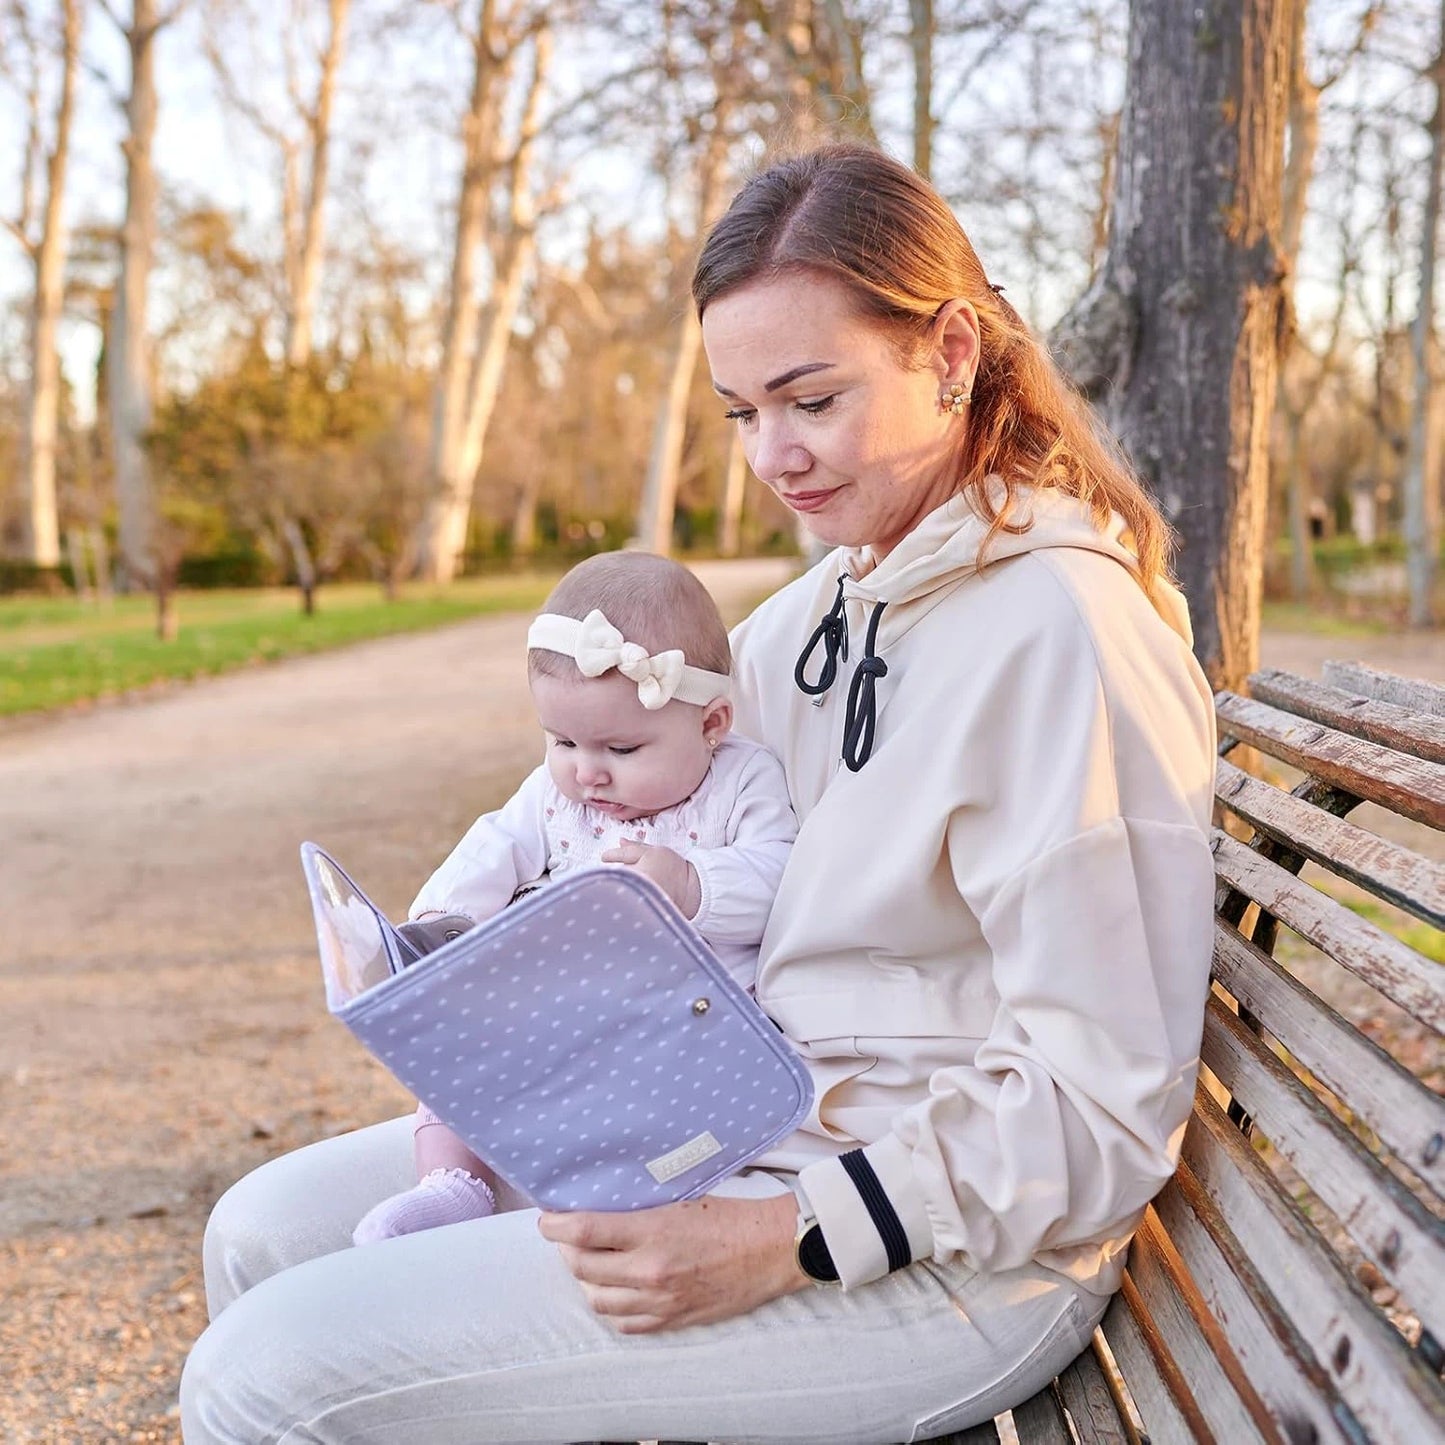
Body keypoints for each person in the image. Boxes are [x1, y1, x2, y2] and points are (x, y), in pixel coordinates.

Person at [181, 143, 1217, 1444]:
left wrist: (777, 1238)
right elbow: (612, 798)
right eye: (739, 412)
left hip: (946, 1258)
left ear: (951, 355)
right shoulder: (822, 606)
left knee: (264, 1378)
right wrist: (462, 952)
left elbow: (1101, 1102)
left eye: (811, 398)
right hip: (737, 1127)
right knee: (264, 1233)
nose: (772, 455)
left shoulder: (1064, 635)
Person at [350, 550, 798, 1245]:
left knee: (648, 1112)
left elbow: (781, 877)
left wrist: (691, 883)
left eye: (621, 748)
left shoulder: (742, 783)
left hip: (683, 1023)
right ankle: (453, 1184)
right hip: (566, 1011)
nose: (586, 771)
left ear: (710, 724)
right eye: (561, 740)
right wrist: (443, 923)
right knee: (461, 1053)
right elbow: (494, 846)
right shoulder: (555, 794)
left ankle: (640, 1182)